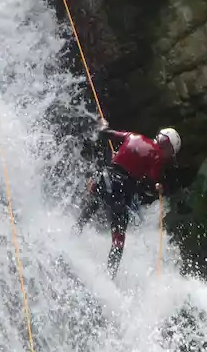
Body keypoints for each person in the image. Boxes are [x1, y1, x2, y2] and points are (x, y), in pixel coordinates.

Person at [74, 117, 182, 277]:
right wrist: (158, 188)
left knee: (93, 205)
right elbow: (149, 185)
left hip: (103, 178)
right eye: (170, 152)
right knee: (118, 239)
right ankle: (109, 277)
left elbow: (104, 133)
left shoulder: (133, 136)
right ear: (167, 147)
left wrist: (103, 125)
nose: (168, 156)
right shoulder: (158, 156)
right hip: (119, 189)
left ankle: (72, 234)